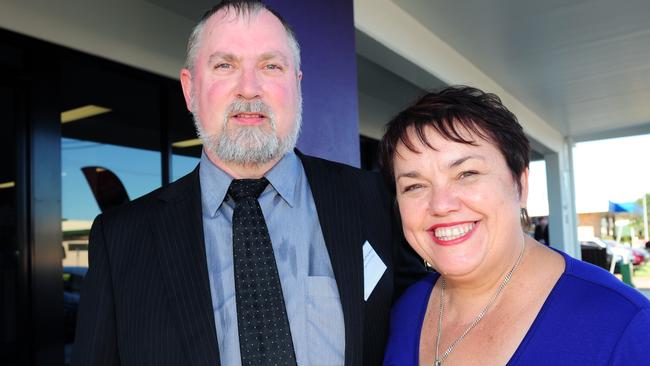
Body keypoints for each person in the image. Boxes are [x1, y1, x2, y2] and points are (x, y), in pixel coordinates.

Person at [72, 1, 426, 365]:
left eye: (271, 66)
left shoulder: (375, 200)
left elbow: (437, 320)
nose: (249, 88)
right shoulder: (120, 239)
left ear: (297, 84)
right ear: (190, 89)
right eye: (225, 66)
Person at [380, 86, 650, 365]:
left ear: (520, 185)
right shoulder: (405, 310)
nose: (440, 205)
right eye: (414, 186)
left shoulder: (624, 325)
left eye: (466, 173)